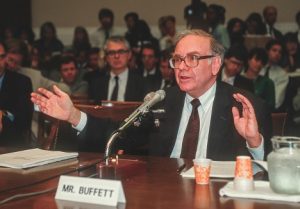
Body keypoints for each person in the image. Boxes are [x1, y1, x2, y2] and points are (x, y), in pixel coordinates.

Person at [31, 29, 272, 160]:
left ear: (216, 65)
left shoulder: (244, 105)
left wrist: (254, 142)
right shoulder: (164, 101)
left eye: (193, 58)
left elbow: (268, 170)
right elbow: (119, 135)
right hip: (160, 194)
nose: (182, 66)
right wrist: (74, 115)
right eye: (177, 59)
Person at [88, 36, 145, 102]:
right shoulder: (96, 85)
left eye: (121, 52)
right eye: (111, 53)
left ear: (129, 55)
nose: (116, 56)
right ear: (106, 57)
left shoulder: (141, 84)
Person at [0, 42, 33, 147]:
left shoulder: (21, 82)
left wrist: (3, 114)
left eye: (1, 57)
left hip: (10, 144)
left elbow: (24, 121)